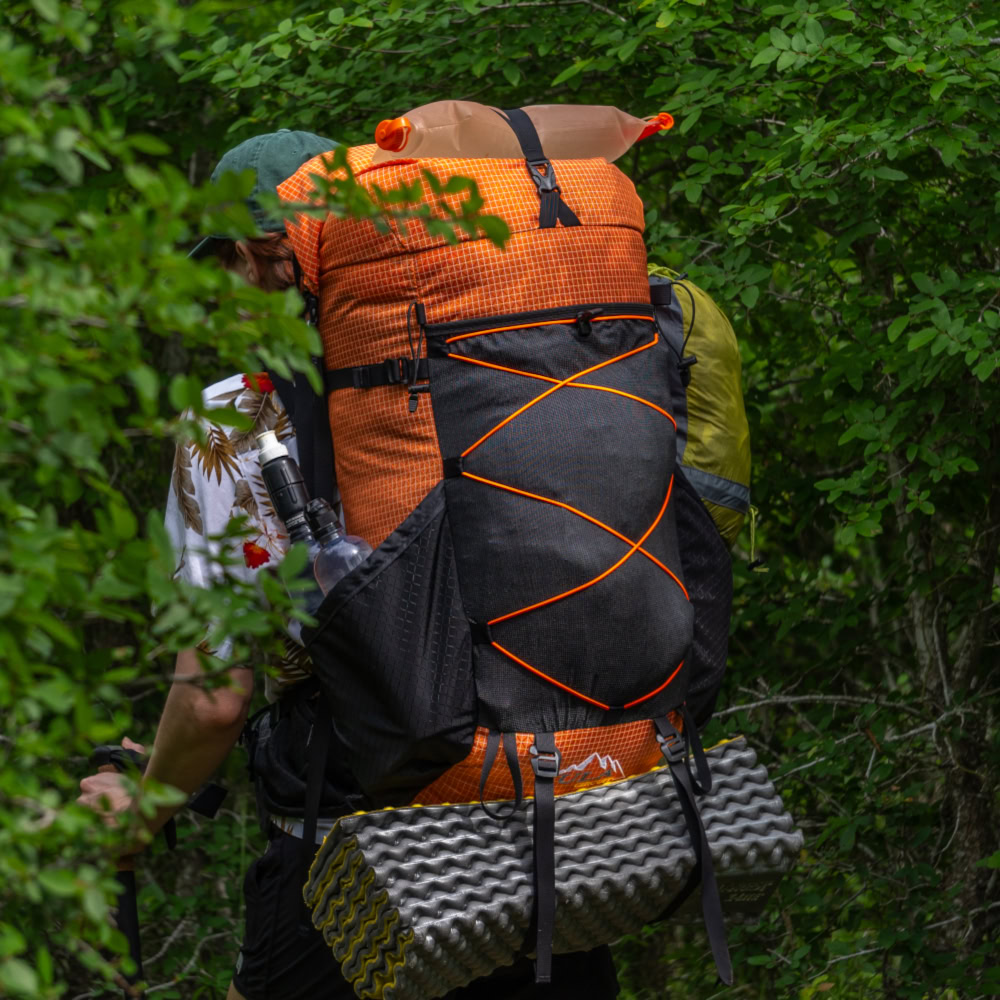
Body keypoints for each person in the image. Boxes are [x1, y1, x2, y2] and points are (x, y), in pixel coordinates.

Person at [79, 129, 621, 1000]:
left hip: (354, 860)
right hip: (550, 827)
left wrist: (141, 811)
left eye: (248, 260)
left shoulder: (231, 424)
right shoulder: (504, 371)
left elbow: (216, 698)